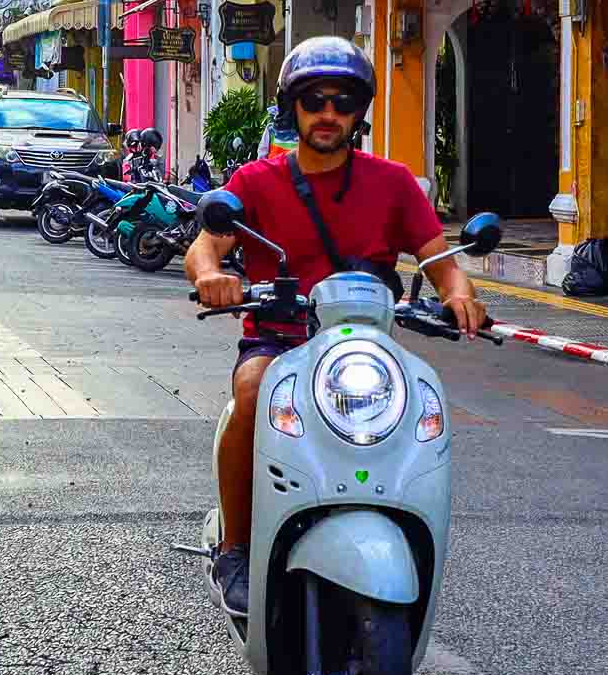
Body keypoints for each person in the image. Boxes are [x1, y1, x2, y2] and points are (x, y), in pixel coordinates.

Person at [183, 35, 488, 617]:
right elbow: (205, 249)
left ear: (359, 112)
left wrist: (461, 296)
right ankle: (237, 547)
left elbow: (442, 265)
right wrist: (211, 276)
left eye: (343, 102)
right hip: (281, 339)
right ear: (293, 107)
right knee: (251, 390)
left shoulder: (394, 183)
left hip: (367, 348)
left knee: (424, 407)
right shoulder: (253, 182)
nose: (328, 114)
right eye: (315, 100)